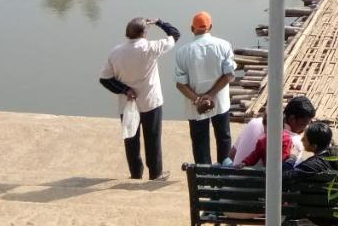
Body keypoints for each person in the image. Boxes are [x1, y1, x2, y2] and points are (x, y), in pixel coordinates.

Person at [98, 16, 180, 181]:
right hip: (151, 102)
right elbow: (175, 35)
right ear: (144, 33)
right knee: (153, 138)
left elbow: (104, 79)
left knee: (131, 139)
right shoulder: (151, 47)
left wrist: (125, 90)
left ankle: (135, 173)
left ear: (127, 33)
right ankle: (155, 174)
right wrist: (159, 22)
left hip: (128, 104)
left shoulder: (116, 52)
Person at [174, 11, 237, 164]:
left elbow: (180, 84)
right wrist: (211, 94)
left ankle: (204, 176)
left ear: (191, 28)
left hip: (195, 106)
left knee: (199, 141)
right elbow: (229, 75)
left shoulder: (183, 51)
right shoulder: (223, 45)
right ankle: (224, 173)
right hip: (219, 101)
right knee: (223, 137)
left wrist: (198, 99)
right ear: (211, 27)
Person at [233, 95, 316, 167]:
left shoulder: (254, 122)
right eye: (304, 124)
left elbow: (232, 154)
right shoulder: (295, 142)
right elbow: (288, 172)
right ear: (292, 119)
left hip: (233, 179)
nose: (306, 128)